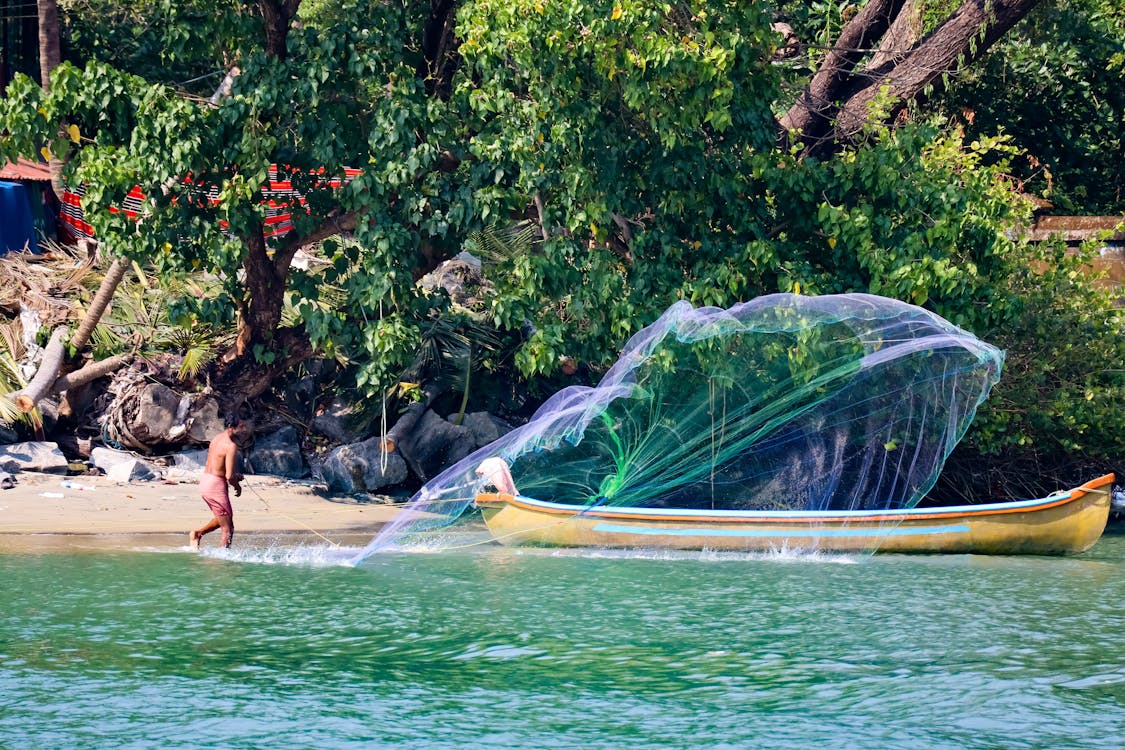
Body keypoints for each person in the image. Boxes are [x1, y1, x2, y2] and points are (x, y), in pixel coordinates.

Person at [189, 415, 252, 550]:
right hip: (215, 485)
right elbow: (229, 476)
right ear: (231, 427)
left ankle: (198, 534)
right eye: (241, 427)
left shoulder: (217, 438)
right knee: (228, 528)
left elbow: (221, 467)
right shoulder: (231, 445)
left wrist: (235, 476)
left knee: (224, 517)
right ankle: (224, 560)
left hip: (206, 480)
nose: (244, 430)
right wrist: (237, 485)